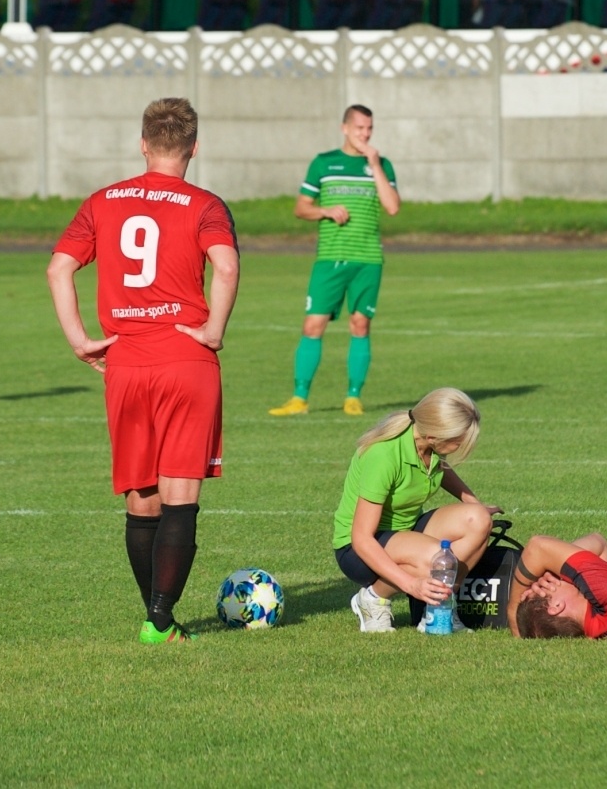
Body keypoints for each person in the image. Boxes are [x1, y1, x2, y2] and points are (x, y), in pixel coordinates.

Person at [48, 97, 240, 645]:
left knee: (142, 494)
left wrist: (80, 340)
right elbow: (226, 266)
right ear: (193, 148)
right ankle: (159, 618)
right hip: (185, 359)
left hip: (126, 361)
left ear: (143, 144)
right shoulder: (205, 205)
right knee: (181, 494)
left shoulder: (102, 201)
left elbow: (59, 269)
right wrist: (213, 330)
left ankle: (159, 620)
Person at [332, 387, 500, 632]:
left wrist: (473, 502)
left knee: (479, 520)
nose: (462, 445)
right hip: (357, 549)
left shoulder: (428, 447)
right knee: (438, 558)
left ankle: (439, 605)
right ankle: (373, 599)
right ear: (433, 435)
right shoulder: (383, 455)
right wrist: (412, 585)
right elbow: (361, 538)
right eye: (459, 440)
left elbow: (440, 469)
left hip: (407, 530)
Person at [269, 104, 399, 418]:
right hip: (330, 258)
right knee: (313, 324)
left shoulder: (382, 165)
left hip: (368, 258)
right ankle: (299, 398)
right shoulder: (324, 163)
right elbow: (301, 208)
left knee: (360, 324)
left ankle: (353, 397)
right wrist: (325, 211)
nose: (365, 134)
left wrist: (375, 165)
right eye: (359, 128)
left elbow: (393, 207)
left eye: (369, 128)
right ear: (345, 128)